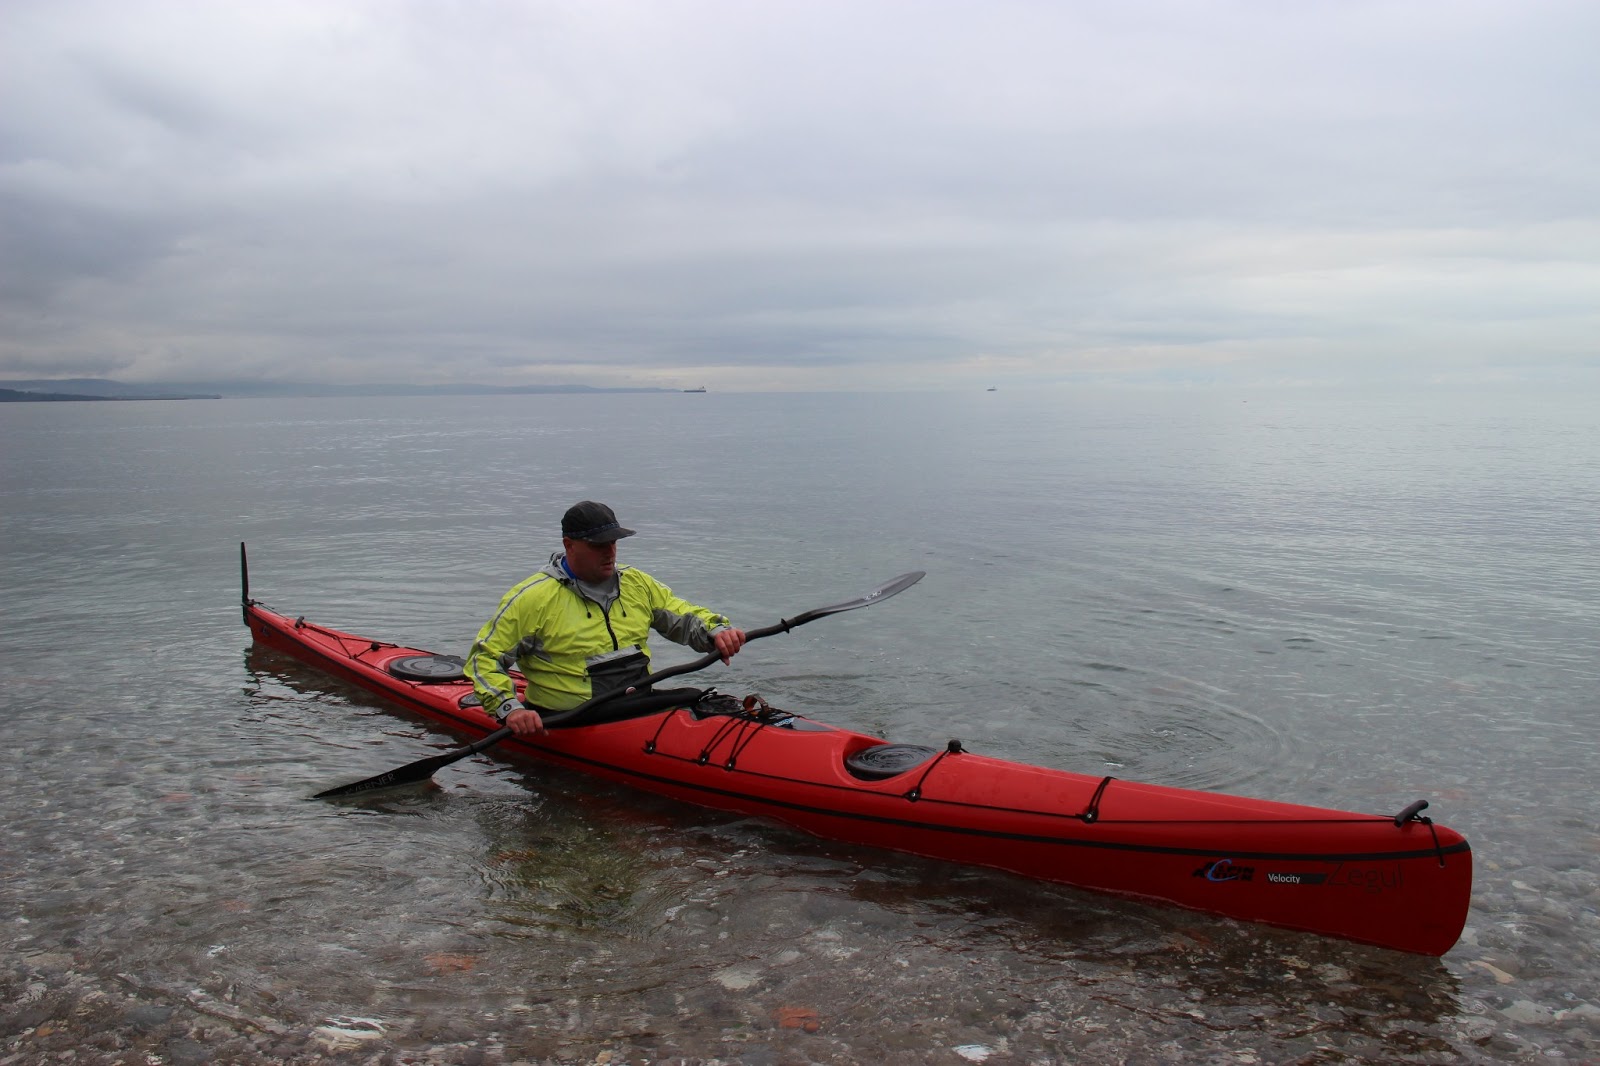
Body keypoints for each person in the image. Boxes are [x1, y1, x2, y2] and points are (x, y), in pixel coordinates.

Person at [464, 501, 747, 737]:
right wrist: (509, 707)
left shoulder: (636, 583)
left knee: (700, 697)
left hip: (636, 706)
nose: (609, 551)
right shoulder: (531, 599)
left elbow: (683, 616)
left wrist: (717, 631)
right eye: (598, 544)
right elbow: (483, 660)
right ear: (569, 544)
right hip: (570, 719)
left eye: (613, 542)